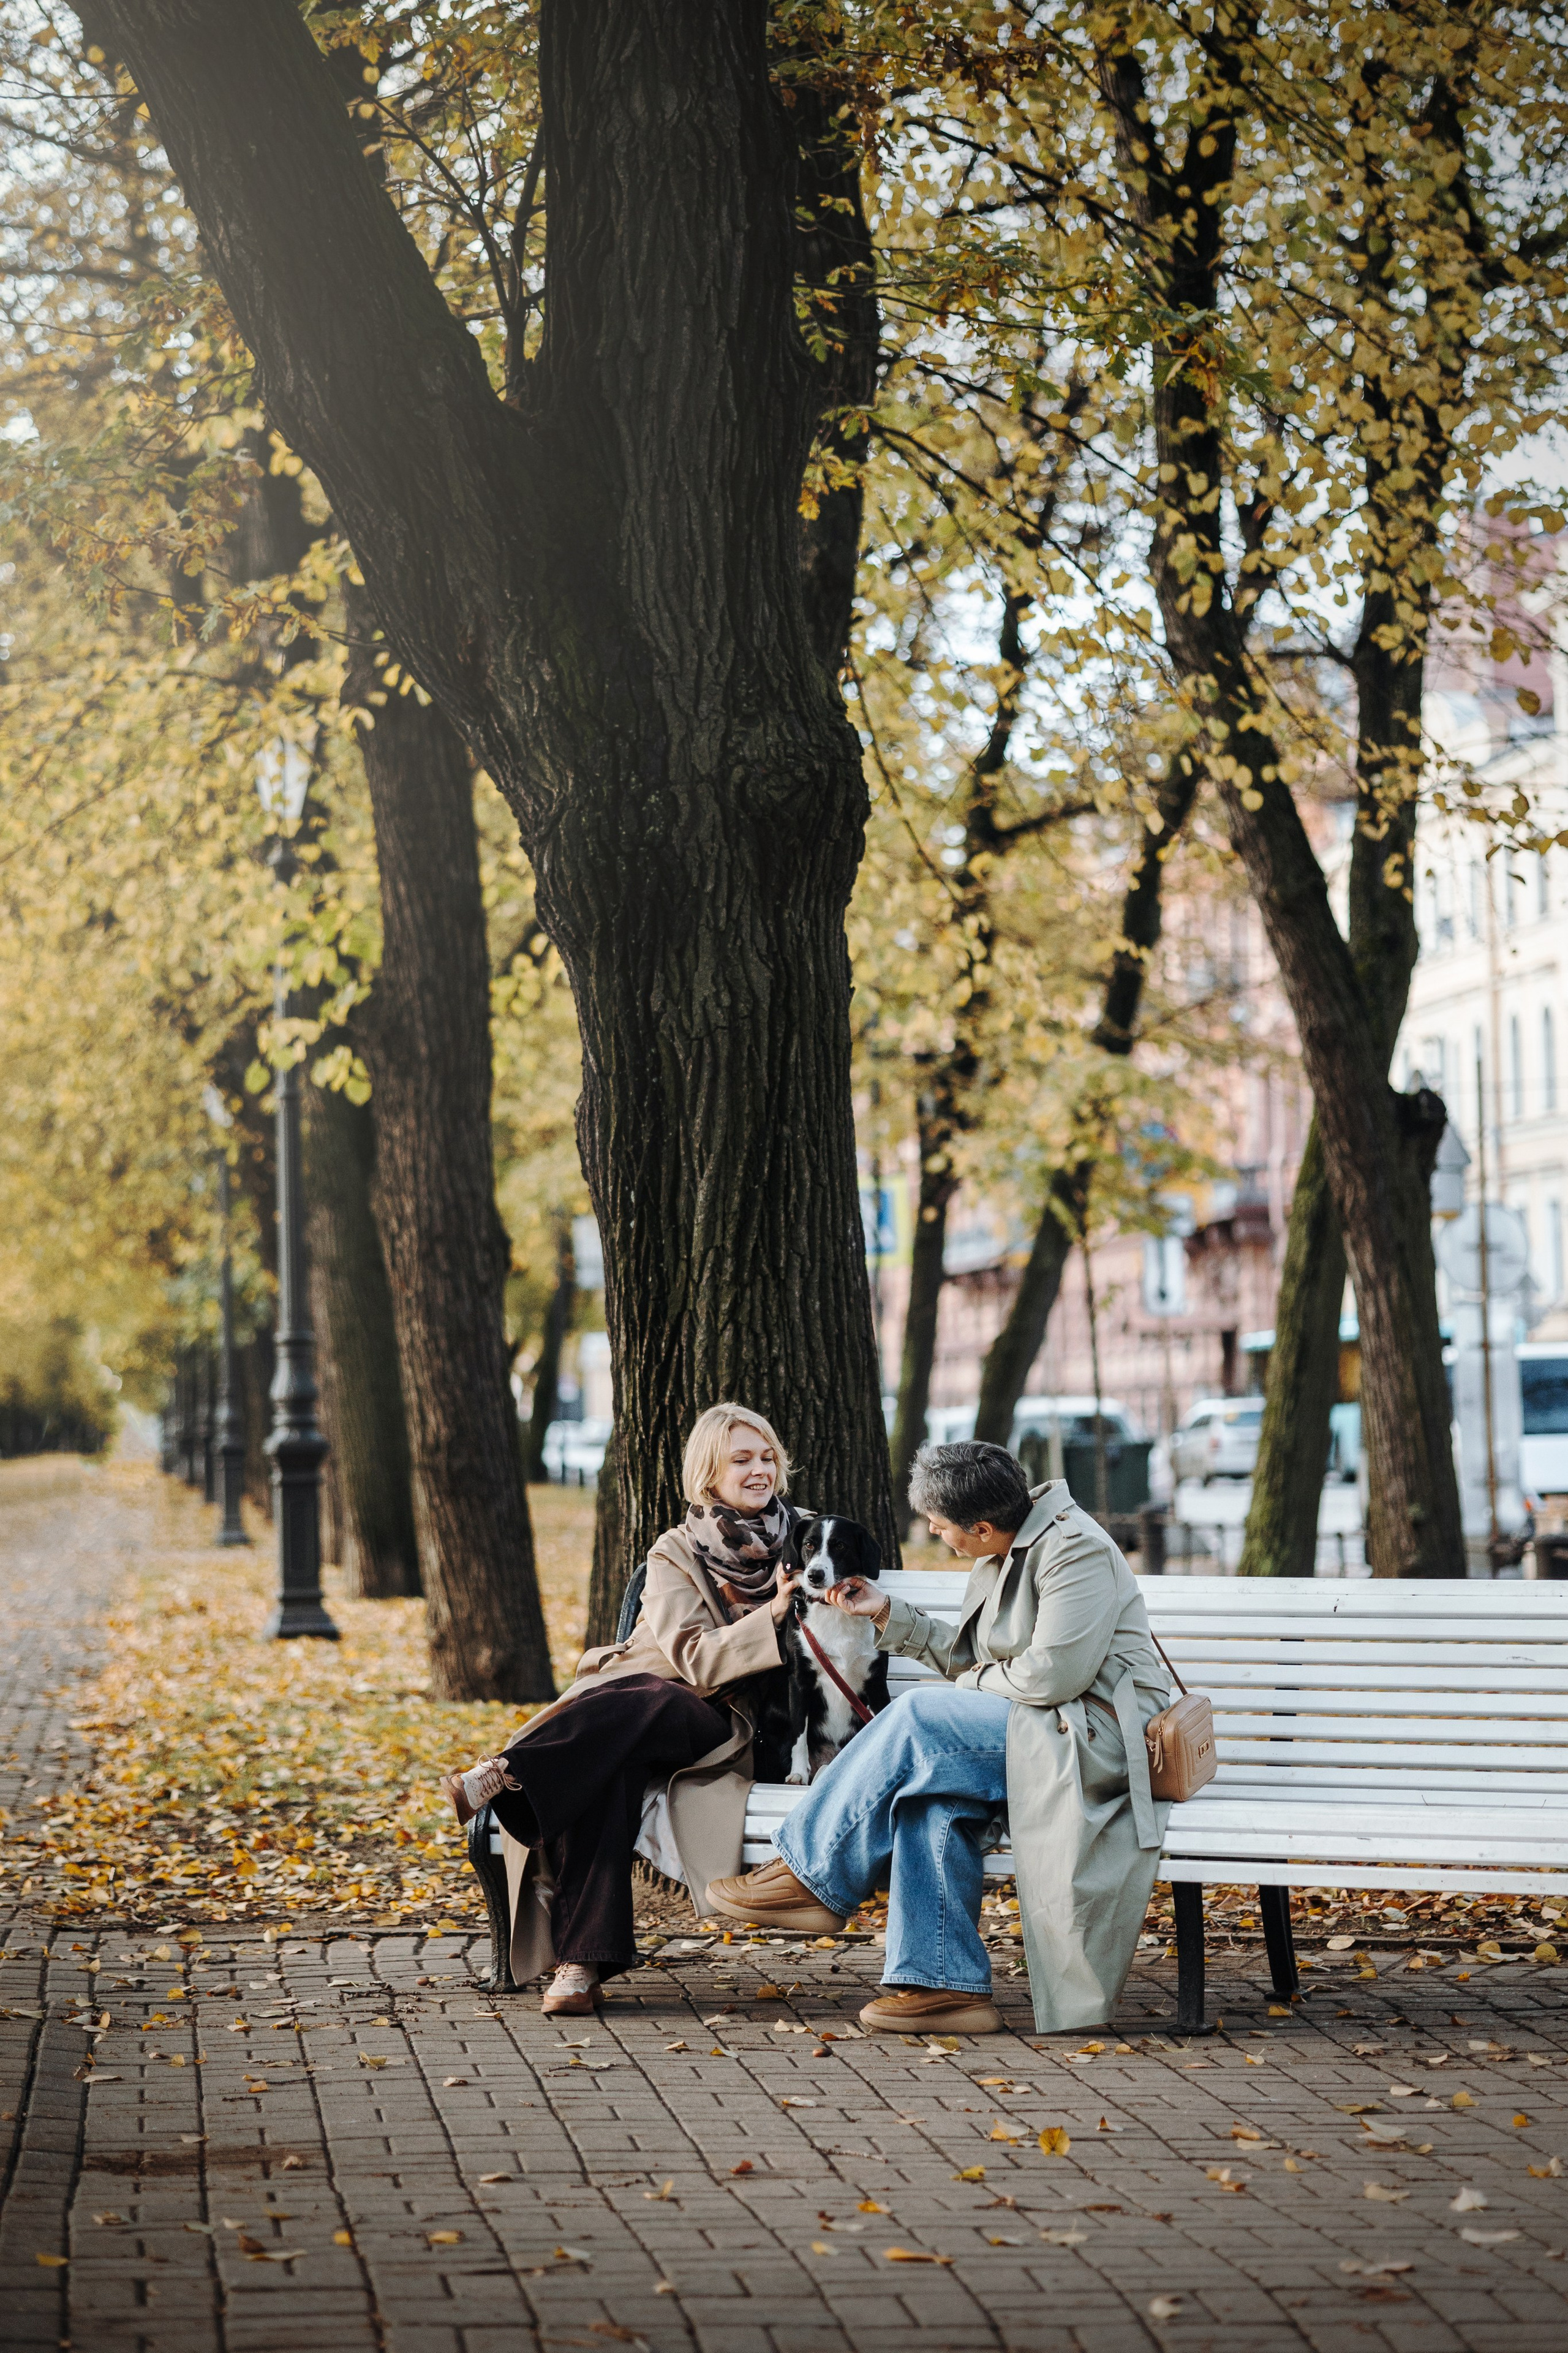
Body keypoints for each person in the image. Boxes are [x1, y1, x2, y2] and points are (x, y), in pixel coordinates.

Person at [707, 1440, 1172, 2038]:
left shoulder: (1072, 1550)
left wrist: (972, 1683)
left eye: (939, 1524)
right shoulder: (1008, 1546)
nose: (932, 1530)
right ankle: (944, 1985)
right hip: (1039, 1727)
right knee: (929, 1798)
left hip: (1091, 1739)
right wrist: (884, 1614)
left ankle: (810, 1872)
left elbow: (1054, 1675)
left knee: (920, 1715)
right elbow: (978, 1659)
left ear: (979, 1526)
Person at [443, 1403, 827, 2015]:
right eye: (742, 1460)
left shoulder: (808, 1538)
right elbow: (691, 1655)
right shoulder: (676, 1551)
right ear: (708, 1474)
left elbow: (703, 1671)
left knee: (651, 1697)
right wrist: (768, 1618)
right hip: (633, 1711)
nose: (760, 1470)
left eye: (766, 1457)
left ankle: (510, 1774)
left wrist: (776, 1613)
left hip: (716, 1723)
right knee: (611, 1769)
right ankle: (582, 1964)